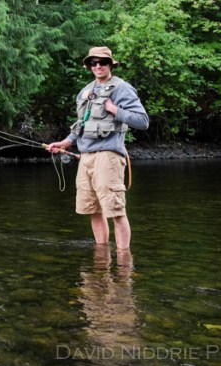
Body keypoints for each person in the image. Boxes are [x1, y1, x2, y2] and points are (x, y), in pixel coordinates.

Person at [46, 47, 148, 251]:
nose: (98, 66)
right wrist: (66, 142)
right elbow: (81, 125)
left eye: (102, 62)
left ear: (110, 64)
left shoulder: (122, 88)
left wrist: (114, 109)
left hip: (108, 157)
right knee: (93, 210)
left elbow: (142, 121)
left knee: (116, 211)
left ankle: (123, 262)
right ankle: (102, 258)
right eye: (93, 63)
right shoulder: (85, 91)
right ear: (89, 66)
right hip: (85, 158)